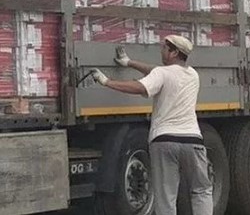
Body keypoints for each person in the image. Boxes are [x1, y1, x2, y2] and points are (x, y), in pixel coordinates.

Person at [90, 35, 212, 215]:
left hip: (164, 141)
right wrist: (129, 62)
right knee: (201, 189)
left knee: (166, 196)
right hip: (193, 141)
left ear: (174, 53)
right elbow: (157, 72)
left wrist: (107, 82)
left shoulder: (162, 74)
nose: (161, 51)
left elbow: (141, 86)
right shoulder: (193, 75)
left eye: (164, 48)